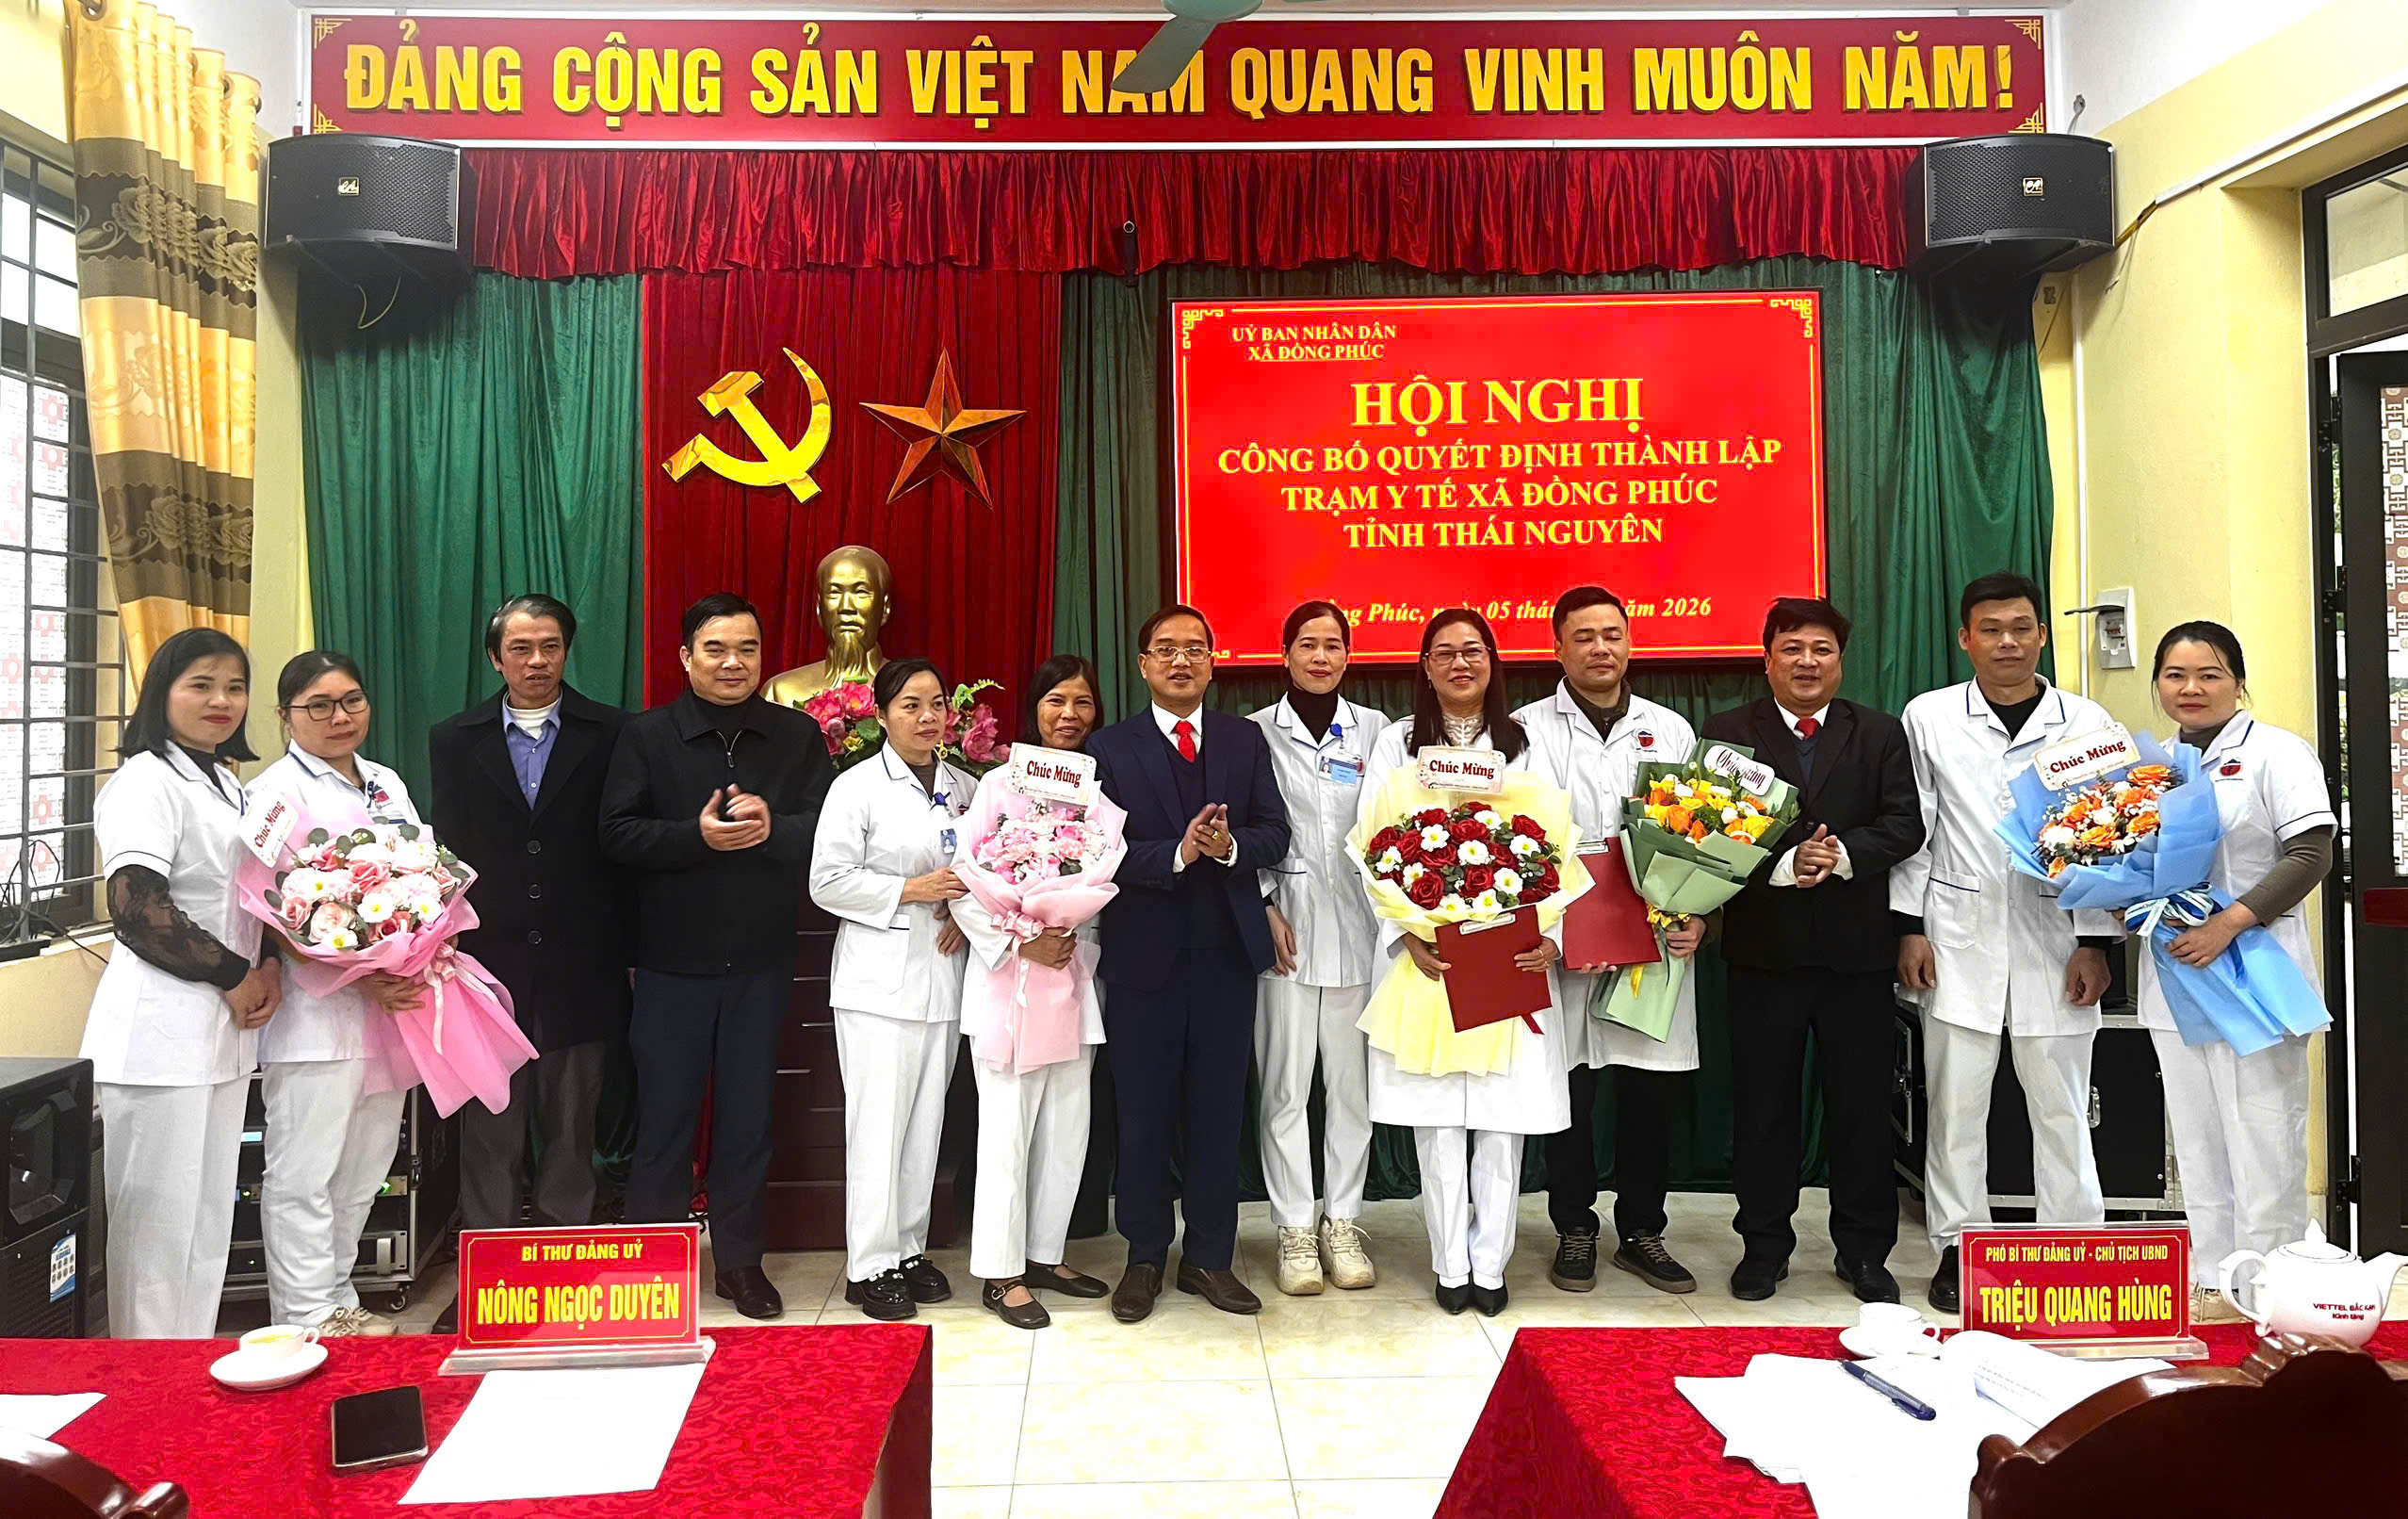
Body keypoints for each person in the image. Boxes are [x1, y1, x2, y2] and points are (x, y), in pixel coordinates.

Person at [600, 593, 835, 1320]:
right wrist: (693, 838)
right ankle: (651, 1269)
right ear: (685, 657)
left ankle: (739, 1263)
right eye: (716, 649)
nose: (733, 663)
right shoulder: (646, 735)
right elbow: (615, 833)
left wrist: (776, 828)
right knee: (665, 1120)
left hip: (762, 961)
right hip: (669, 963)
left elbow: (830, 828)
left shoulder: (796, 735)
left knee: (748, 1118)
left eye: (747, 649)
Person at [1893, 572, 2117, 1313]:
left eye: (2022, 628)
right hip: (1957, 936)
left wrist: (2096, 942)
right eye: (1991, 630)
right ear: (1966, 639)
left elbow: (2113, 841)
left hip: (2058, 936)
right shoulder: (1929, 717)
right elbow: (1916, 831)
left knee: (2063, 1105)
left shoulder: (2087, 722)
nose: (2008, 642)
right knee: (1956, 1107)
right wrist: (1909, 928)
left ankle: (2075, 1247)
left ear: (2042, 636)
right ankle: (1960, 1248)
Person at [1702, 598, 1925, 1305]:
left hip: (1857, 957)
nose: (1807, 662)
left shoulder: (1879, 732)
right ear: (1767, 658)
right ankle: (1763, 1247)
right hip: (1762, 953)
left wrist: (1842, 855)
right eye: (1792, 648)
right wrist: (1782, 863)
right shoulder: (1727, 734)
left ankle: (1864, 1252)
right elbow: (1706, 828)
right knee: (1763, 1109)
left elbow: (1906, 824)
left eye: (1822, 649)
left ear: (1840, 660)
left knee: (1861, 1111)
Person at [424, 594, 629, 1335]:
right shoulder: (455, 739)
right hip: (489, 964)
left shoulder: (614, 732)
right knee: (490, 1129)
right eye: (520, 648)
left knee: (572, 1123)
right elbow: (446, 851)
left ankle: (564, 1275)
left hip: (583, 958)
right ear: (495, 658)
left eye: (550, 646)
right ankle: (488, 1282)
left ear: (568, 651)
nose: (537, 661)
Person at [1088, 604, 1292, 1322]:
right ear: (1143, 664)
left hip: (1226, 959)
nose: (1181, 660)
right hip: (1142, 960)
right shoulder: (1109, 747)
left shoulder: (1243, 740)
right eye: (1166, 649)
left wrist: (1230, 848)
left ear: (1213, 662)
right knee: (1143, 1113)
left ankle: (1209, 1257)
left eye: (1195, 649)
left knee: (1217, 1112)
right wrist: (1178, 852)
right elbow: (1098, 852)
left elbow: (1276, 833)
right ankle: (1144, 1256)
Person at [1365, 609, 1568, 1315]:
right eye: (1445, 652)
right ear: (1425, 667)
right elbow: (1371, 846)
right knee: (1440, 1122)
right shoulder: (1397, 743)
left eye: (1473, 651)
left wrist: (1549, 934)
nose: (1460, 663)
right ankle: (1450, 1265)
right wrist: (1405, 932)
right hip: (1430, 960)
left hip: (1507, 955)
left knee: (1501, 1121)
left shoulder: (1525, 742)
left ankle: (1491, 1265)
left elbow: (1556, 844)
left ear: (1492, 663)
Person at [81, 629, 281, 1339]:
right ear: (161, 692)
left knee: (205, 1231)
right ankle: (142, 1388)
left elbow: (248, 899)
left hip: (221, 1037)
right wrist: (235, 976)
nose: (221, 700)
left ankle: (186, 1377)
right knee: (156, 1242)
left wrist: (269, 967)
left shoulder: (226, 783)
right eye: (200, 684)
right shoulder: (146, 780)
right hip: (159, 1041)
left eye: (234, 686)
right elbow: (138, 909)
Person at [1514, 587, 1702, 1297]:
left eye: (1612, 635)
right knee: (1571, 1086)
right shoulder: (1525, 730)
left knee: (1647, 1088)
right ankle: (1574, 1226)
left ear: (1630, 643)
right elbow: (1516, 840)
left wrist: (1697, 913)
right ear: (1557, 649)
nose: (1600, 648)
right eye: (1584, 637)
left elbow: (1699, 836)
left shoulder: (1670, 729)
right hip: (1564, 936)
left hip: (1654, 934)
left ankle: (1644, 1230)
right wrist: (1553, 930)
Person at [2141, 622, 2333, 1322]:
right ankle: (2216, 1282)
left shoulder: (2277, 753)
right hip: (2177, 975)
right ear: (2158, 684)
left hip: (2255, 971)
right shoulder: (2150, 767)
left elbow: (2311, 855)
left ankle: (2274, 1289)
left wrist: (2228, 924)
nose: (2191, 688)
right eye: (2175, 675)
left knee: (2264, 1138)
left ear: (2238, 682)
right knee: (2197, 1142)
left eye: (2210, 674)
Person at [249, 652, 425, 1338]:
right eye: (318, 705)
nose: (339, 716)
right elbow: (266, 910)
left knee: (363, 1169)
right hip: (314, 1014)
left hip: (388, 1011)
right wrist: (354, 968)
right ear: (285, 715)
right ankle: (303, 1315)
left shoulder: (385, 782)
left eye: (351, 700)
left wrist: (415, 949)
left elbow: (418, 878)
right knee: (305, 1173)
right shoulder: (272, 794)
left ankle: (338, 1298)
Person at [809, 659, 976, 1321]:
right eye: (910, 704)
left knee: (925, 1125)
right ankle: (869, 1265)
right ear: (880, 715)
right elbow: (827, 882)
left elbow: (985, 871)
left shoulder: (966, 787)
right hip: (877, 983)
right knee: (878, 1127)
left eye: (937, 703)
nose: (927, 716)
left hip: (943, 976)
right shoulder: (855, 788)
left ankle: (908, 1249)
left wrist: (966, 912)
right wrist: (911, 889)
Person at [954, 655, 1114, 1329]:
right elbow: (964, 880)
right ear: (1035, 708)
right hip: (1008, 987)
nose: (1068, 715)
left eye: (1082, 702)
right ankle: (1001, 1271)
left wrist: (1065, 930)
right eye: (1056, 701)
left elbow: (1102, 880)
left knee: (1067, 1127)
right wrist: (1021, 940)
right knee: (1006, 1131)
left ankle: (1045, 1254)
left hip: (1072, 979)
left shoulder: (1098, 796)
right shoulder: (996, 785)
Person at [1248, 602, 1390, 1296]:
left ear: (1348, 656)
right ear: (1285, 654)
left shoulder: (1376, 730)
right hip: (1287, 929)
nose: (1321, 657)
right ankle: (1296, 1229)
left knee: (1351, 1090)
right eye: (1308, 644)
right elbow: (1246, 828)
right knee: (1285, 1087)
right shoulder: (1254, 733)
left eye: (1334, 645)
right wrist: (1263, 904)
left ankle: (1343, 1221)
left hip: (1361, 930)